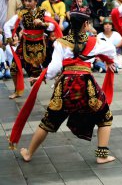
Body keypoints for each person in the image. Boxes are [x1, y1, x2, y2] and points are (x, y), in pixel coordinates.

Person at [17, 11, 116, 164]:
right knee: (104, 116)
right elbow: (111, 51)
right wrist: (108, 60)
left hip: (66, 85)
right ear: (85, 25)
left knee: (48, 121)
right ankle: (102, 155)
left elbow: (54, 67)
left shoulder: (60, 42)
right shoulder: (95, 41)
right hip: (86, 85)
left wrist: (41, 77)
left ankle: (29, 153)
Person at [4, 0, 62, 99]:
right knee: (14, 68)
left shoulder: (43, 12)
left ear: (36, 2)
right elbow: (7, 25)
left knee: (54, 68)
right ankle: (17, 91)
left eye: (29, 1)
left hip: (41, 45)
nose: (26, 3)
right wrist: (9, 38)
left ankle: (59, 91)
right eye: (25, 0)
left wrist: (42, 23)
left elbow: (53, 26)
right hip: (25, 44)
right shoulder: (22, 14)